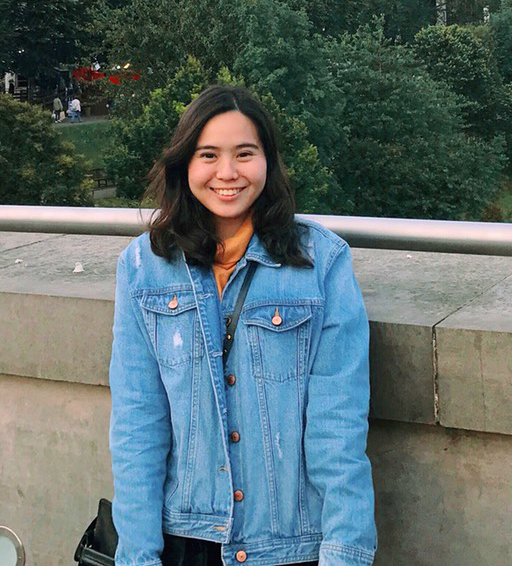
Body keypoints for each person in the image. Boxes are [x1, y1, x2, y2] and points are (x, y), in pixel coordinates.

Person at [109, 85, 377, 566]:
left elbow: (338, 431)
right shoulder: (144, 267)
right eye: (208, 155)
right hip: (183, 541)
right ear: (184, 164)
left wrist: (344, 555)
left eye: (245, 154)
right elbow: (137, 426)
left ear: (268, 161)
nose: (228, 173)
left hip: (291, 547)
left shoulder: (321, 263)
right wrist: (138, 556)